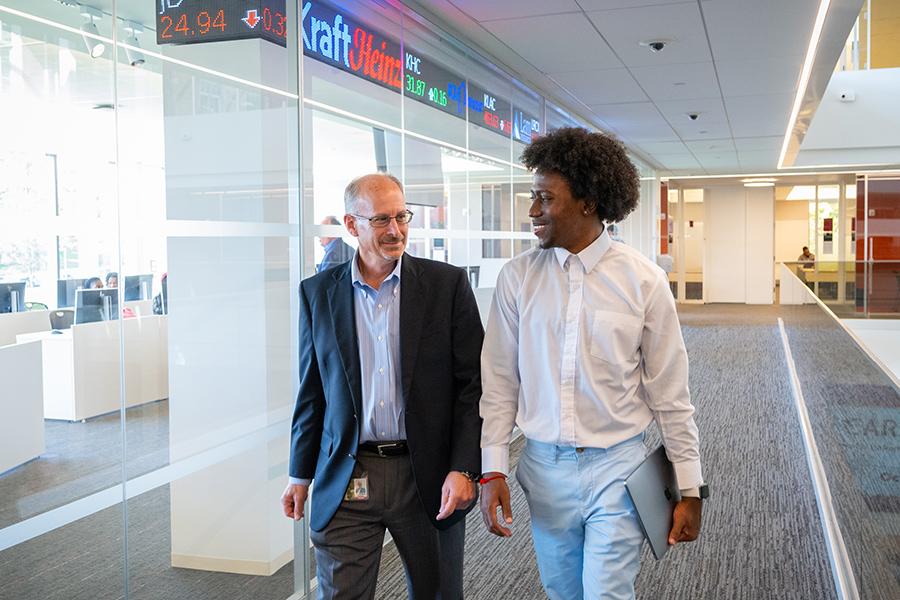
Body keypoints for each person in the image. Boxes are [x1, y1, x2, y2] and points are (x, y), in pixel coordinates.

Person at [479, 127, 705, 600]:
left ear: (587, 202)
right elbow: (500, 382)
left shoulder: (643, 281)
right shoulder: (517, 279)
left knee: (606, 593)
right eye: (533, 197)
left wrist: (690, 487)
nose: (532, 211)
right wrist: (493, 468)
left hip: (618, 468)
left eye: (545, 198)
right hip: (542, 467)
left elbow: (670, 393)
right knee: (561, 591)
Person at [282, 173, 483, 599]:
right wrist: (299, 474)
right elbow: (312, 392)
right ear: (352, 226)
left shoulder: (446, 287)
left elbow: (472, 388)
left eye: (401, 217)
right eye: (381, 220)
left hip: (427, 473)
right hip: (349, 473)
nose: (395, 230)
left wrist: (464, 467)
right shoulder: (317, 294)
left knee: (440, 593)